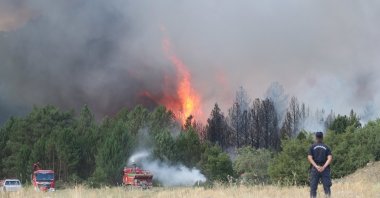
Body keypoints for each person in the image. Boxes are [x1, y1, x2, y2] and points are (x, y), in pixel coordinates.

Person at [307, 132, 333, 198]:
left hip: (315, 169)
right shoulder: (327, 147)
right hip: (325, 169)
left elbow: (309, 158)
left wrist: (316, 166)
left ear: (316, 138)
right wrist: (324, 167)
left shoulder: (312, 146)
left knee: (313, 188)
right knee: (327, 188)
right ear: (322, 137)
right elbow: (330, 158)